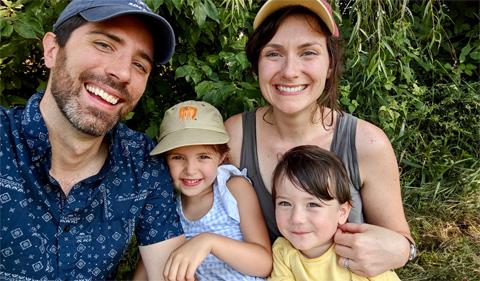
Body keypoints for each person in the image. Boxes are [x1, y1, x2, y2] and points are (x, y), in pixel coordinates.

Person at [224, 0, 416, 277]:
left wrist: (401, 250)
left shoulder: (366, 143)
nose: (289, 71)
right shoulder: (235, 138)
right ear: (257, 64)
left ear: (330, 65)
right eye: (274, 54)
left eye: (308, 53)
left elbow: (400, 239)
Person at [0, 0, 185, 280]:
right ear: (52, 50)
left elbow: (167, 271)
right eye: (104, 45)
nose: (123, 73)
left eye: (139, 64)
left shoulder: (142, 163)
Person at [147, 100, 272, 281]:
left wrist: (209, 241)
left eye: (203, 156)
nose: (190, 169)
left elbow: (264, 264)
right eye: (177, 157)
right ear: (165, 160)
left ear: (222, 157)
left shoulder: (233, 188)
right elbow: (151, 257)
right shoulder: (168, 205)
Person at [268, 145, 400, 281]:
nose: (297, 218)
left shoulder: (357, 251)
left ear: (342, 213)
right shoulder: (282, 251)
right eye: (285, 203)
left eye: (313, 204)